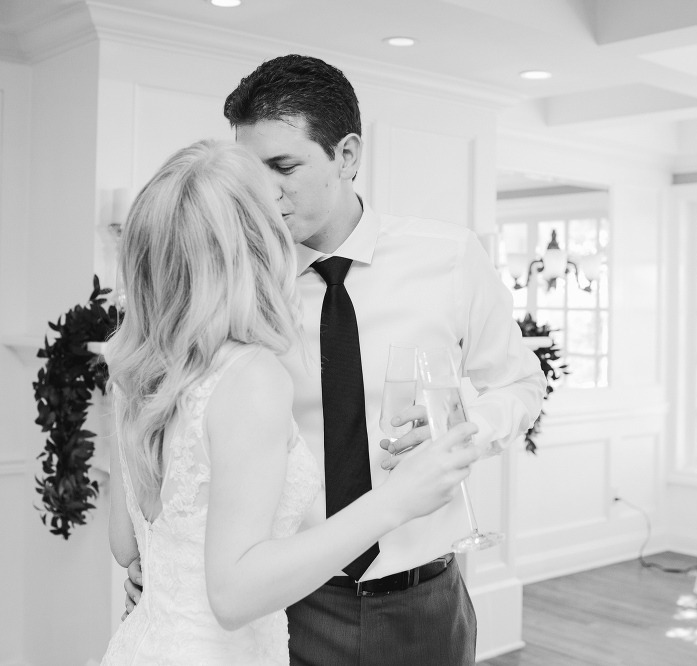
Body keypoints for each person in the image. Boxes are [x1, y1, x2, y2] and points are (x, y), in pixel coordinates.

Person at [124, 55, 545, 665]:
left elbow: (520, 383)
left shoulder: (449, 258)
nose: (265, 191)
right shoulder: (239, 288)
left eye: (283, 166)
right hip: (286, 603)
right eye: (250, 172)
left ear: (347, 156)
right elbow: (184, 419)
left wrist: (462, 429)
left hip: (423, 598)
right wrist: (160, 565)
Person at [100, 139, 482, 666]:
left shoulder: (132, 366)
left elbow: (126, 546)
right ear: (257, 245)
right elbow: (233, 595)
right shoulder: (249, 375)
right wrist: (397, 499)